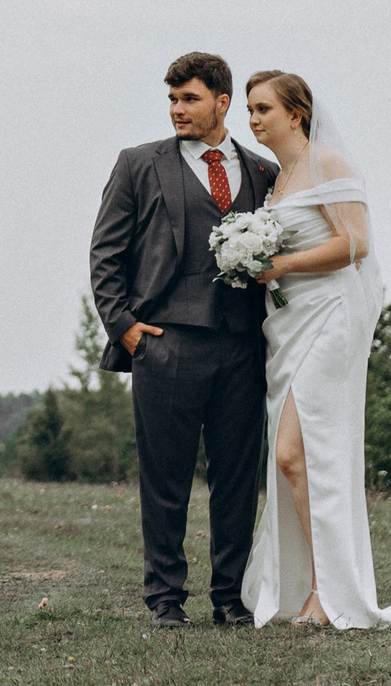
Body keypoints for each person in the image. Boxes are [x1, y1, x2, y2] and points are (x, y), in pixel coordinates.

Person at [237, 70, 391, 629]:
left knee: (293, 452)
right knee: (296, 460)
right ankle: (312, 589)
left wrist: (277, 265)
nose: (253, 119)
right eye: (250, 111)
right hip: (287, 324)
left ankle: (331, 593)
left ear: (296, 113)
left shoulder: (327, 164)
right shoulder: (277, 180)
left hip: (331, 316)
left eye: (263, 109)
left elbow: (354, 244)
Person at [88, 51, 276, 626]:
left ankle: (231, 598)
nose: (177, 110)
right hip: (164, 343)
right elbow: (106, 252)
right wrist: (124, 328)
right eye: (172, 99)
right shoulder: (139, 164)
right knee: (165, 478)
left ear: (222, 103)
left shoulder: (265, 171)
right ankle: (165, 599)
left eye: (189, 98)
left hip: (243, 346)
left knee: (238, 479)